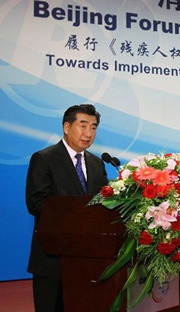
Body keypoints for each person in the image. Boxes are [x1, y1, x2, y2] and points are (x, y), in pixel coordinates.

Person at [26, 104, 108, 312]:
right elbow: (36, 203)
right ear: (66, 126)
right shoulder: (44, 159)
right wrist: (79, 215)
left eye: (93, 127)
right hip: (53, 258)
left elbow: (104, 204)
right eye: (83, 126)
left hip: (88, 259)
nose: (88, 133)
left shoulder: (98, 164)